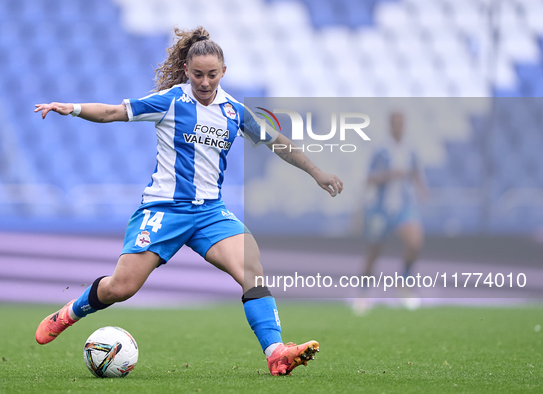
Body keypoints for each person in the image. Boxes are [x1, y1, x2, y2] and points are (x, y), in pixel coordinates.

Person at [34, 27, 343, 376]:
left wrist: (317, 172)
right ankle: (70, 312)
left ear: (223, 72)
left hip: (210, 212)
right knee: (121, 288)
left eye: (212, 74)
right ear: (186, 70)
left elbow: (277, 142)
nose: (205, 82)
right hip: (164, 210)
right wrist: (70, 108)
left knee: (251, 269)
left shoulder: (234, 111)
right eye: (198, 74)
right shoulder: (170, 101)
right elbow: (111, 113)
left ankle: (276, 352)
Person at [354, 112, 427, 314]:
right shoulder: (381, 150)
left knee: (415, 243)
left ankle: (403, 284)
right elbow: (368, 178)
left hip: (403, 207)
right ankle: (363, 294)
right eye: (395, 123)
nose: (398, 127)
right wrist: (389, 175)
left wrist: (422, 189)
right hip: (380, 208)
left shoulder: (410, 150)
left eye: (401, 123)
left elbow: (416, 173)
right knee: (374, 252)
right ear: (390, 125)